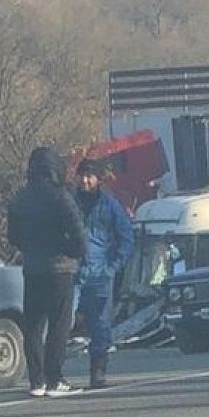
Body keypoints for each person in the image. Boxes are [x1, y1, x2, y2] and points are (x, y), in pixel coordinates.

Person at [7, 147, 88, 397]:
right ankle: (56, 379)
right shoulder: (60, 196)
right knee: (59, 324)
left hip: (32, 268)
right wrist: (74, 252)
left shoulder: (20, 198)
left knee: (32, 325)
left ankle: (36, 381)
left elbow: (14, 237)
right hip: (60, 268)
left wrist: (31, 249)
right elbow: (78, 232)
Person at [75, 158, 134, 389]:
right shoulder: (69, 202)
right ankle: (54, 373)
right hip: (73, 273)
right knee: (64, 321)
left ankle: (98, 372)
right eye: (82, 175)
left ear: (98, 179)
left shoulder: (110, 205)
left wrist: (113, 267)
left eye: (90, 176)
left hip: (101, 273)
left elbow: (126, 239)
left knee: (101, 325)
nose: (85, 180)